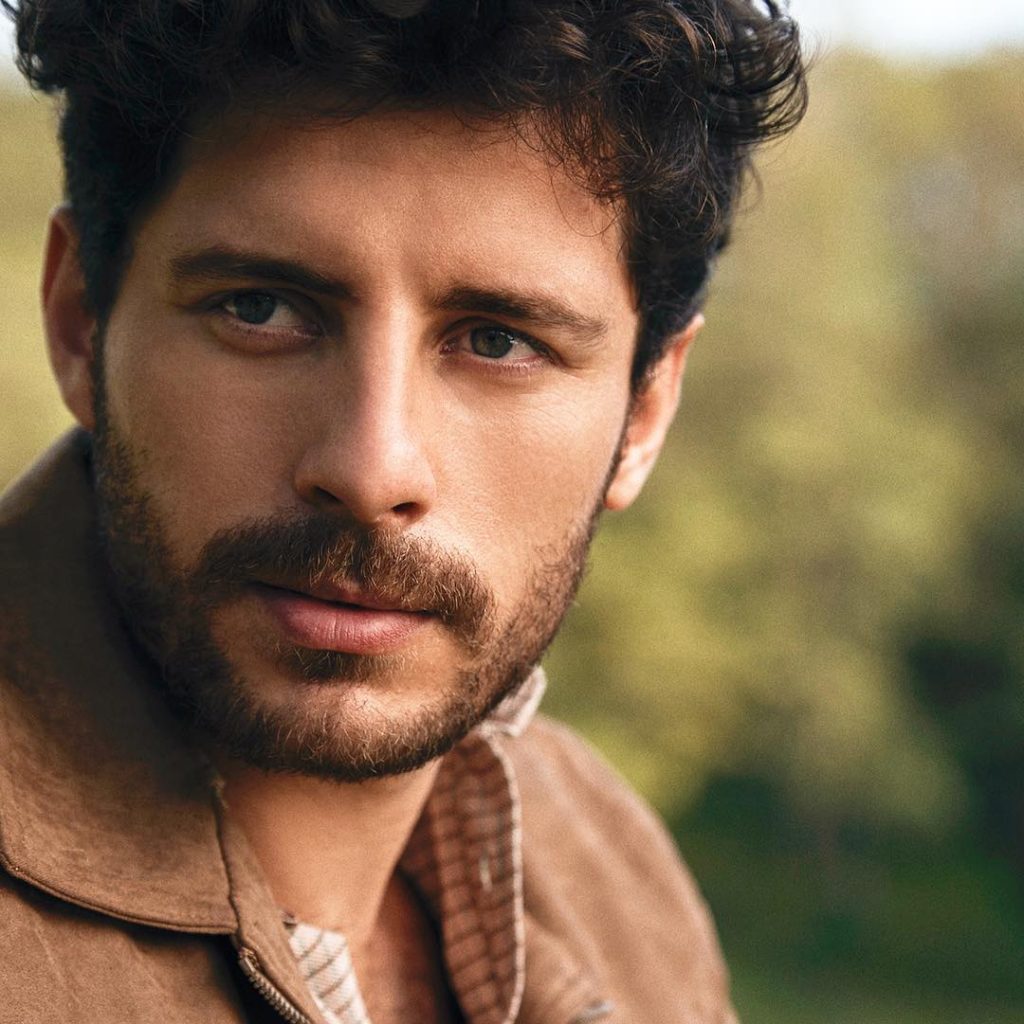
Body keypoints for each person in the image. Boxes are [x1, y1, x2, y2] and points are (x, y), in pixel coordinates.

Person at [0, 1, 805, 1021]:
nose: (371, 468)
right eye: (260, 307)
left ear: (644, 413)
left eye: (499, 341)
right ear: (80, 323)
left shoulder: (619, 875)